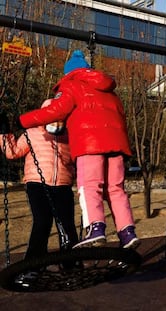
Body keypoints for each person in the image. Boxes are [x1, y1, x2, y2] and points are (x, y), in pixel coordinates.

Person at [16, 50, 140, 249]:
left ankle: (96, 227)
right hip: (117, 145)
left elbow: (55, 110)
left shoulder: (70, 85)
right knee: (115, 189)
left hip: (90, 144)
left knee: (89, 185)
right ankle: (127, 232)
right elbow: (120, 116)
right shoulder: (110, 91)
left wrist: (22, 120)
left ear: (69, 73)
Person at [0, 99, 78, 260]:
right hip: (37, 184)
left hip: (63, 184)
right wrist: (3, 132)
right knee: (42, 221)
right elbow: (12, 152)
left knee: (67, 225)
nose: (56, 121)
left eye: (60, 117)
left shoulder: (69, 135)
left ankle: (70, 263)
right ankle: (33, 263)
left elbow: (78, 159)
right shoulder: (32, 133)